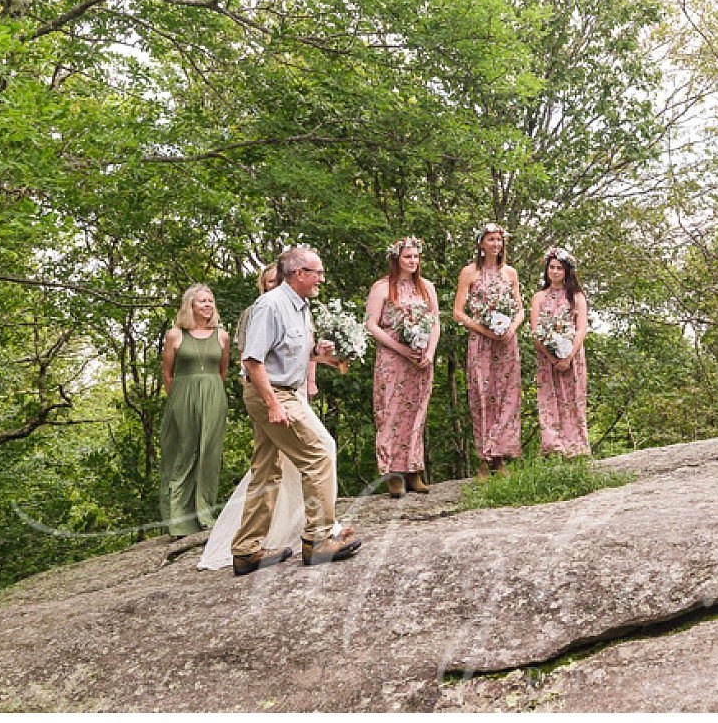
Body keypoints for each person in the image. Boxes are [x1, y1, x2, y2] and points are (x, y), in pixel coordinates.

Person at [198, 260, 348, 569]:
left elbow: (289, 353)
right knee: (318, 456)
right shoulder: (270, 305)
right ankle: (318, 540)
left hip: (285, 391)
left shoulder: (300, 307)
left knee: (266, 470)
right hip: (272, 393)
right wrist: (273, 404)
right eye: (317, 272)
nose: (322, 277)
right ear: (298, 274)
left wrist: (322, 354)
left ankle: (246, 550)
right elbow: (252, 361)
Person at [365, 236, 440, 498]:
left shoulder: (426, 287)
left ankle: (414, 471)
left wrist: (429, 351)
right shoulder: (383, 287)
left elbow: (435, 323)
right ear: (396, 259)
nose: (413, 261)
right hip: (393, 358)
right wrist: (401, 349)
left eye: (416, 257)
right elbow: (371, 325)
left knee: (417, 413)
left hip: (419, 361)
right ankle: (392, 474)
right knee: (391, 413)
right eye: (408, 257)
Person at [453, 223, 525, 475]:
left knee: (507, 397)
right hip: (481, 342)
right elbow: (458, 312)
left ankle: (500, 457)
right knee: (482, 397)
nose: (496, 244)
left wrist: (510, 329)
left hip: (506, 343)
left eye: (499, 240)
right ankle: (484, 458)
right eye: (491, 239)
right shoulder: (469, 272)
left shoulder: (510, 273)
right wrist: (484, 330)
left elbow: (520, 310)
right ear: (481, 243)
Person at [160, 284, 229, 538]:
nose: (208, 305)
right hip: (182, 397)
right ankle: (178, 520)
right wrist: (178, 398)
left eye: (210, 301)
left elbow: (222, 370)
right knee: (184, 454)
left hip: (213, 396)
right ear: (191, 305)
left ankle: (204, 514)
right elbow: (167, 373)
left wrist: (211, 394)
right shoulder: (175, 335)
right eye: (202, 301)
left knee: (209, 453)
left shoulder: (222, 336)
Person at [530, 247, 591, 457]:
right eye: (551, 268)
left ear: (567, 271)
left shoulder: (576, 297)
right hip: (548, 359)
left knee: (573, 399)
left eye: (559, 268)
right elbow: (535, 331)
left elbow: (581, 328)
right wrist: (551, 356)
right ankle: (553, 447)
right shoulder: (539, 297)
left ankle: (576, 448)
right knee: (549, 399)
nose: (555, 272)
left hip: (572, 358)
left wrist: (568, 356)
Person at [234, 263, 280, 382]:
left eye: (279, 281)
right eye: (271, 281)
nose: (275, 285)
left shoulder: (298, 309)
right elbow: (242, 347)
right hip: (261, 378)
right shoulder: (251, 311)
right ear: (264, 285)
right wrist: (245, 375)